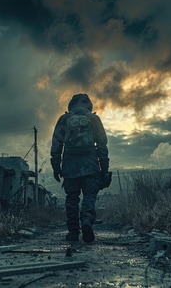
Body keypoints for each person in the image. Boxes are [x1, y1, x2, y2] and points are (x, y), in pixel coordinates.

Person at [50, 93, 110, 243]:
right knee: (90, 196)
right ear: (88, 105)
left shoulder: (64, 119)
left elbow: (57, 144)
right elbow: (102, 146)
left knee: (71, 199)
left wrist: (56, 166)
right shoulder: (94, 119)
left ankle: (73, 233)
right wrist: (104, 170)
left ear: (71, 105)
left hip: (70, 167)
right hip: (90, 165)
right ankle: (86, 221)